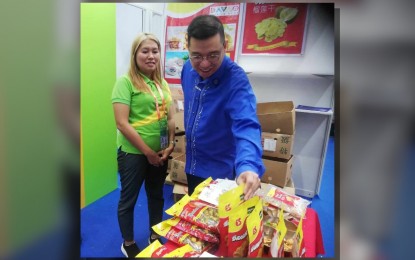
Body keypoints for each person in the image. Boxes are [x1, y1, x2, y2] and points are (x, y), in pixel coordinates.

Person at [181, 15, 265, 200]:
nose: (204, 63)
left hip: (221, 171)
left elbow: (247, 124)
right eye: (196, 55)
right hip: (193, 163)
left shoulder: (236, 79)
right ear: (188, 49)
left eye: (213, 55)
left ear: (225, 46)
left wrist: (248, 166)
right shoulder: (187, 68)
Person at [112, 33, 175, 258]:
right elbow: (121, 123)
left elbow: (168, 118)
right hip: (134, 154)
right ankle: (127, 242)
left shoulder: (162, 82)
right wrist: (147, 152)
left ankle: (155, 234)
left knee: (156, 195)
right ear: (135, 54)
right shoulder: (126, 82)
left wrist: (169, 146)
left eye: (155, 51)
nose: (151, 56)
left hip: (160, 153)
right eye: (145, 51)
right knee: (129, 199)